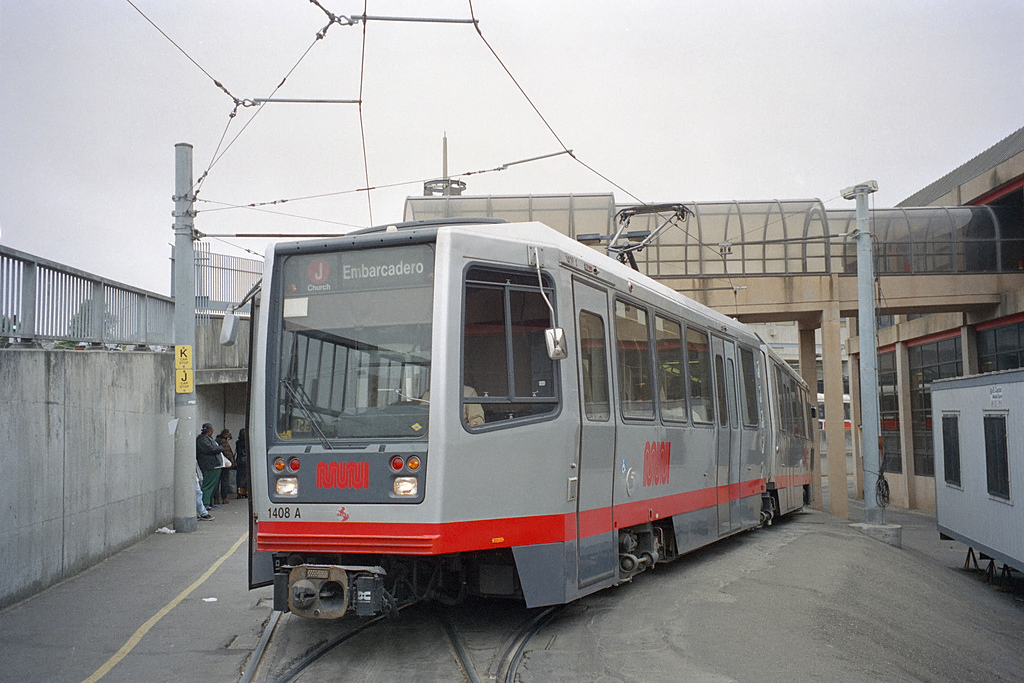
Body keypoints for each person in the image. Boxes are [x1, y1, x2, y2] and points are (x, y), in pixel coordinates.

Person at [196, 422, 223, 509]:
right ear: (210, 431)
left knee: (213, 486)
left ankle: (209, 503)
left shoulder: (207, 438)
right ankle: (205, 503)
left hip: (213, 465)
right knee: (208, 485)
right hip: (208, 465)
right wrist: (220, 448)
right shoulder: (202, 439)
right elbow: (210, 449)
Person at [215, 429, 235, 505]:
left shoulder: (216, 440)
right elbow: (227, 453)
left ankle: (216, 498)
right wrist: (232, 462)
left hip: (217, 464)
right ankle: (224, 498)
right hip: (225, 465)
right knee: (225, 481)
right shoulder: (224, 442)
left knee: (217, 482)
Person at [235, 427, 249, 499]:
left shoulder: (238, 442)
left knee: (239, 476)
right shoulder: (247, 441)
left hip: (239, 460)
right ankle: (245, 491)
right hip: (246, 460)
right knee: (246, 477)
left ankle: (239, 491)